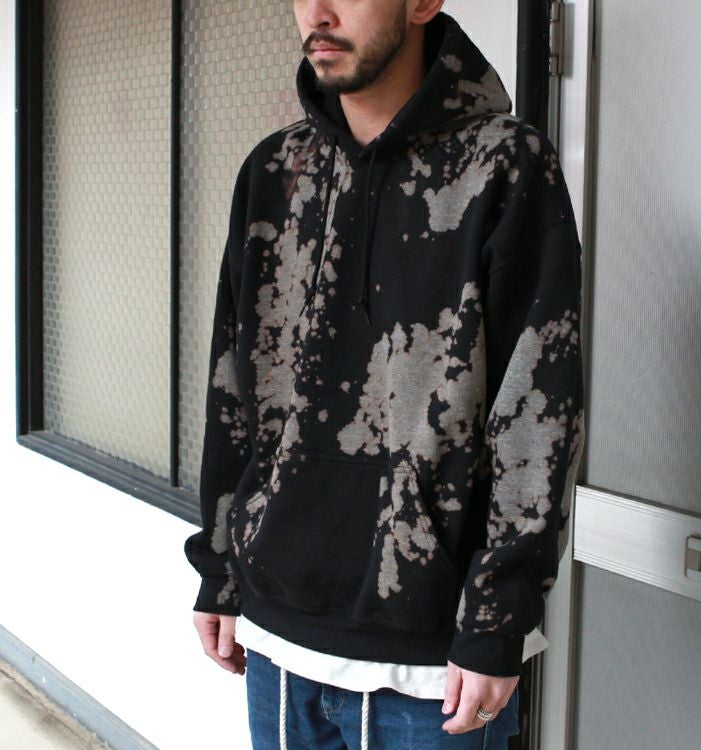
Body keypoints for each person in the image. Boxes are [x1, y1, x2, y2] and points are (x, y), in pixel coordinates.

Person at [184, 1, 586, 748]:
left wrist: (498, 616)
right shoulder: (274, 171)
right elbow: (232, 388)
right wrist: (221, 568)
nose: (318, 12)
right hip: (276, 637)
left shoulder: (505, 165)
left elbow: (539, 407)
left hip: (432, 664)